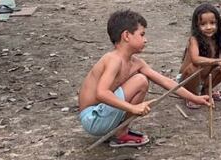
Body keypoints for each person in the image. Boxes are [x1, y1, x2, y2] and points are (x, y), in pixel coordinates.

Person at [78, 10, 212, 147]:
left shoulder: (136, 62)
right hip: (92, 118)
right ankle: (120, 133)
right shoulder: (113, 59)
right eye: (142, 34)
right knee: (140, 80)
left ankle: (120, 132)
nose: (145, 39)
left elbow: (165, 81)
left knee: (142, 79)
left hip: (103, 114)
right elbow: (101, 92)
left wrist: (194, 98)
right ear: (126, 36)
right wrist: (133, 108)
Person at [178, 4, 221, 109]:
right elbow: (196, 59)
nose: (208, 27)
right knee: (194, 67)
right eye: (203, 24)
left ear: (218, 23)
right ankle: (192, 95)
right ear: (196, 26)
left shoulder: (218, 40)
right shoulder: (194, 40)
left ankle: (206, 91)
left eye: (212, 23)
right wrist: (218, 62)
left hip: (204, 79)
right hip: (187, 80)